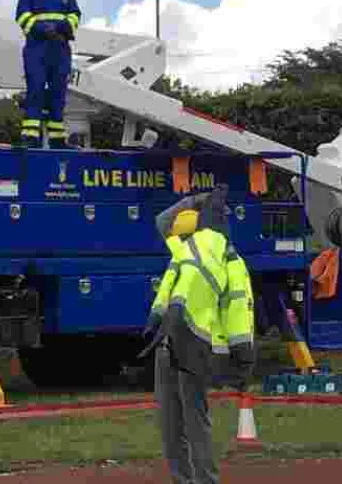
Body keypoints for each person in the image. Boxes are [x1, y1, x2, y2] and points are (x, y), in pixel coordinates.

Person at [143, 185, 256, 484]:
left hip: (189, 346)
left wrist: (195, 200)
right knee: (179, 423)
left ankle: (200, 480)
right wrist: (197, 200)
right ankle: (191, 480)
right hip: (180, 346)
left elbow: (237, 313)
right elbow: (163, 222)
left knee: (184, 422)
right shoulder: (193, 250)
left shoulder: (210, 257)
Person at [14, 0, 81, 148]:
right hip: (37, 49)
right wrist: (42, 29)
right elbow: (22, 17)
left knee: (58, 94)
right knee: (35, 91)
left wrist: (62, 27)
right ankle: (30, 137)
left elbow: (75, 15)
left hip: (60, 50)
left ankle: (57, 139)